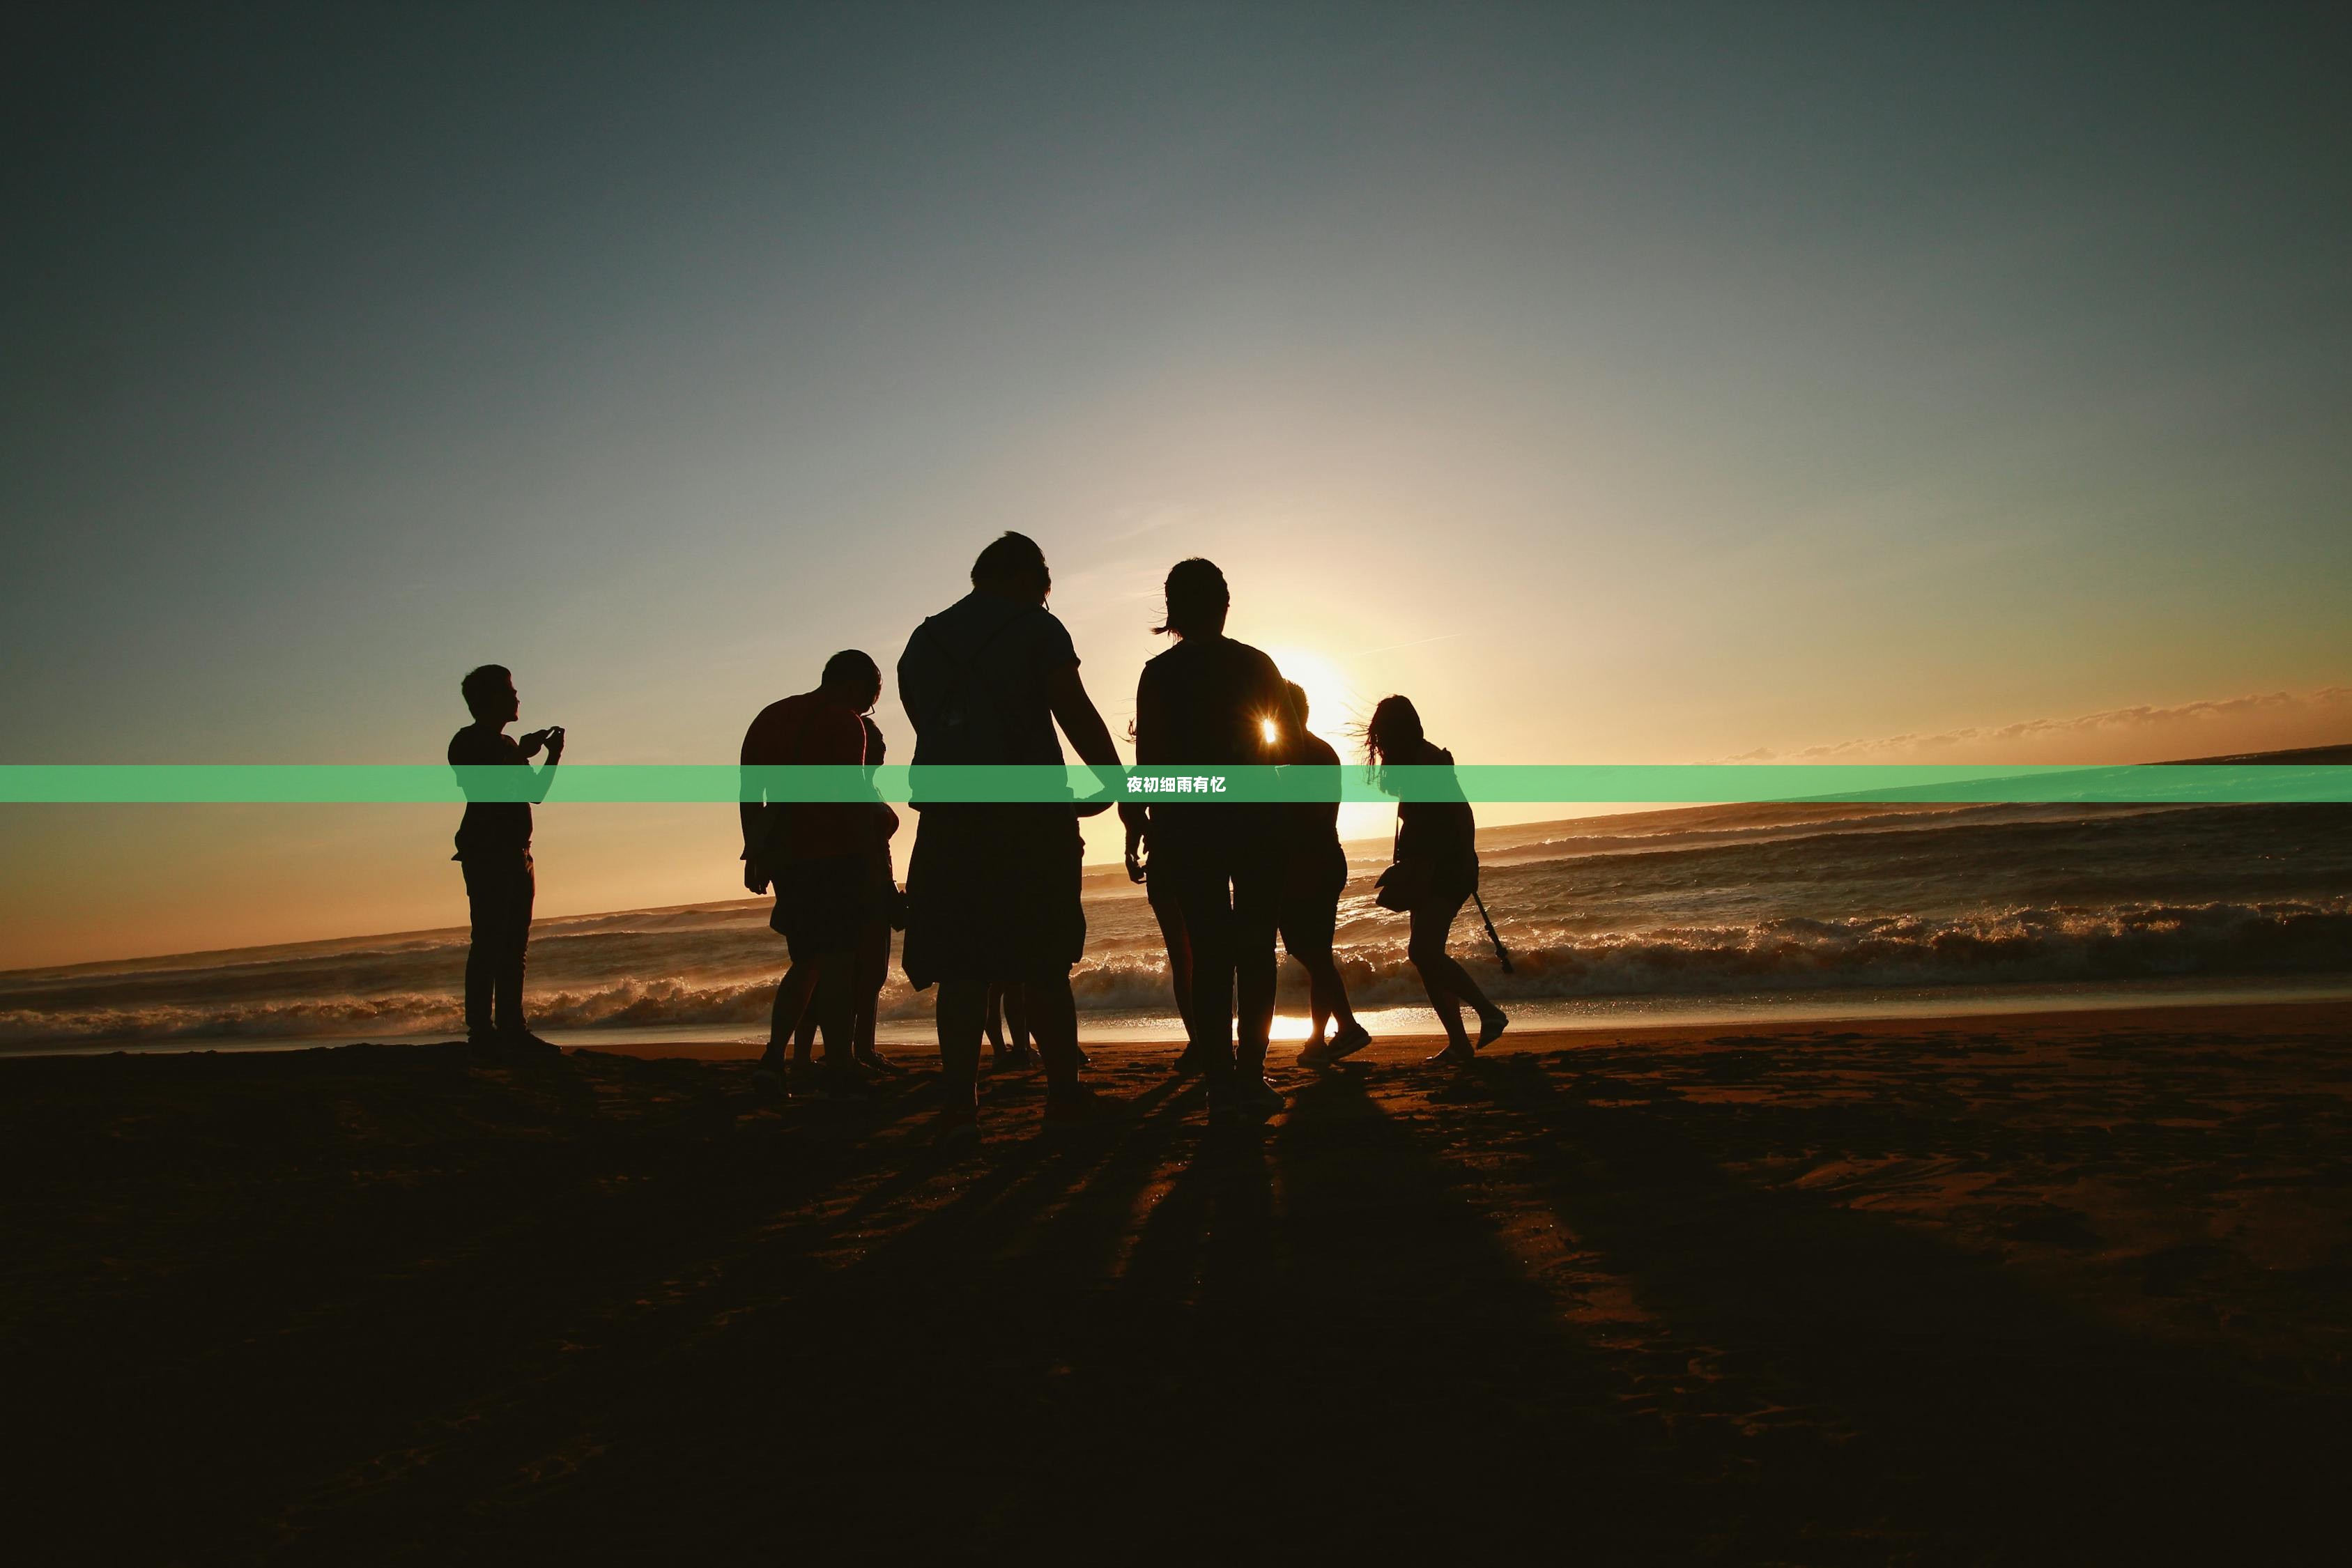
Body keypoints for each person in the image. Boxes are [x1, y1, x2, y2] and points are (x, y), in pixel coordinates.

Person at [898, 532, 1125, 1142]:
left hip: (948, 822)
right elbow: (1073, 710)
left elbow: (927, 724)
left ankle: (960, 1106)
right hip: (1029, 820)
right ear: (1031, 578)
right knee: (1043, 962)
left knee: (960, 968)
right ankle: (1063, 1098)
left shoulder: (922, 641)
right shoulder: (1036, 627)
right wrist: (1115, 785)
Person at [1122, 558, 1299, 1121]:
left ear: (1172, 611)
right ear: (1224, 604)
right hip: (1254, 822)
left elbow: (1145, 760)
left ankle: (1220, 1082)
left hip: (1185, 826)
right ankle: (1249, 1074)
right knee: (1255, 950)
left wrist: (1135, 825)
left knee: (1208, 953)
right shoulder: (1257, 665)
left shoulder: (1159, 674)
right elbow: (1290, 754)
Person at [741, 650, 889, 1099]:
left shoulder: (769, 717)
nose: (866, 711)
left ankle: (773, 1059)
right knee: (841, 961)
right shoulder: (845, 723)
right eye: (869, 700)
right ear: (854, 686)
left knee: (807, 961)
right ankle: (840, 1062)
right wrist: (883, 833)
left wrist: (757, 851)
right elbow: (849, 800)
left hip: (786, 858)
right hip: (835, 855)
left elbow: (751, 793)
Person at [1365, 695, 1507, 1066]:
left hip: (1444, 868)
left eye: (1382, 735)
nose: (1378, 744)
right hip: (1427, 868)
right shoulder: (1416, 760)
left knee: (1423, 953)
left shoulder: (1428, 761)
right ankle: (1459, 1043)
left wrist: (1465, 860)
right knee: (1426, 958)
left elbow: (1461, 813)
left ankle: (1488, 1011)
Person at [448, 664, 565, 1059]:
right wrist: (521, 754)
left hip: (519, 853)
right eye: (510, 692)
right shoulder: (467, 743)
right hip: (488, 854)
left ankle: (512, 1027)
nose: (517, 699)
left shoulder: (507, 746)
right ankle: (482, 1031)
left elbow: (535, 793)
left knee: (514, 944)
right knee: (489, 942)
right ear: (489, 700)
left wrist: (552, 756)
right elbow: (485, 788)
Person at [791, 713, 906, 1077]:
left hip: (876, 881)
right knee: (843, 973)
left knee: (871, 973)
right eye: (876, 743)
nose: (884, 749)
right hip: (857, 885)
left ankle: (861, 1048)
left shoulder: (870, 787)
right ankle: (811, 1055)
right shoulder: (848, 788)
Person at [1279, 682, 1371, 1068]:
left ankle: (1347, 1025)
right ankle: (1318, 1039)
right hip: (1324, 860)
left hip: (1307, 864)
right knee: (1317, 950)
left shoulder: (1299, 756)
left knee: (1308, 950)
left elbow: (1306, 815)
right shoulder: (1317, 752)